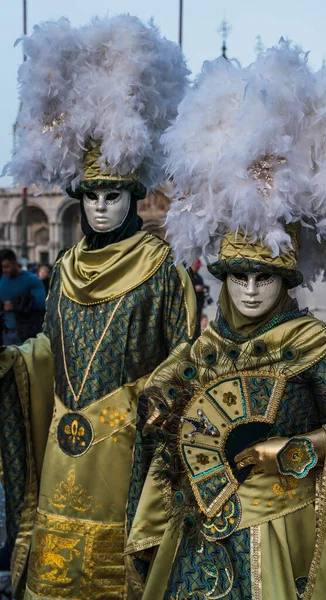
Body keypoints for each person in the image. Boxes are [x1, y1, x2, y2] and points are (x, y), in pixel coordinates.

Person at [126, 42, 326, 599]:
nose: (251, 290)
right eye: (240, 277)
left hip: (286, 527)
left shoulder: (313, 343)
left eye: (265, 278)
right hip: (205, 531)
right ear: (224, 278)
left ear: (287, 282)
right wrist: (158, 411)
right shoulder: (204, 350)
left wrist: (292, 449)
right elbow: (163, 404)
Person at [1, 15, 195, 600]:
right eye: (91, 196)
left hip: (128, 455)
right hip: (65, 448)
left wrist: (143, 404)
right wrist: (15, 363)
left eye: (114, 195)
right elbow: (49, 350)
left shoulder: (164, 271)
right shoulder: (62, 270)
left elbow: (186, 357)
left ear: (134, 197)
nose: (102, 207)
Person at [0, 249, 45, 345]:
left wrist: (15, 304)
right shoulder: (2, 278)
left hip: (25, 334)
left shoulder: (32, 280)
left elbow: (40, 302)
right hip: (4, 334)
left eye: (7, 267)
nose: (5, 270)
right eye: (2, 267)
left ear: (15, 262)